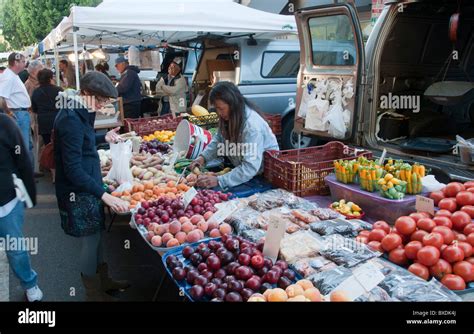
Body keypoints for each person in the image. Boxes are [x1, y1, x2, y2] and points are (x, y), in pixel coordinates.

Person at [53, 71, 130, 301]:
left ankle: (103, 281)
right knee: (90, 241)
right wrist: (104, 195)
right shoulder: (70, 118)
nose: (103, 105)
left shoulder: (80, 110)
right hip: (79, 191)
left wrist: (103, 138)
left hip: (88, 185)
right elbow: (72, 169)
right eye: (101, 100)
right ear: (85, 93)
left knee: (96, 237)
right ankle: (93, 294)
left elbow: (84, 142)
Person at [189, 81, 279, 190]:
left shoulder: (252, 127)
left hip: (262, 175)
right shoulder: (231, 116)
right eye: (216, 109)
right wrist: (203, 157)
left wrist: (220, 180)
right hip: (244, 172)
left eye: (221, 109)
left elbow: (250, 167)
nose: (219, 113)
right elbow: (219, 138)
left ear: (233, 104)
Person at [0, 113, 42, 302]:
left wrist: (30, 195)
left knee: (15, 249)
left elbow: (23, 159)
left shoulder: (5, 124)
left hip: (6, 200)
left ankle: (29, 283)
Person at [0, 53, 34, 166]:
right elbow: (1, 97)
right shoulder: (9, 77)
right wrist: (9, 113)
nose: (25, 64)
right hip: (18, 113)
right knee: (22, 146)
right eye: (23, 61)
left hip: (21, 113)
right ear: (16, 62)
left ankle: (29, 172)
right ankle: (25, 174)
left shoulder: (12, 75)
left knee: (26, 145)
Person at [31, 69, 63, 145]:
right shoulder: (58, 90)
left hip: (44, 123)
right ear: (50, 78)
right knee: (60, 144)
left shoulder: (36, 92)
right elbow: (65, 105)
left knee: (48, 145)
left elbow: (34, 109)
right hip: (58, 120)